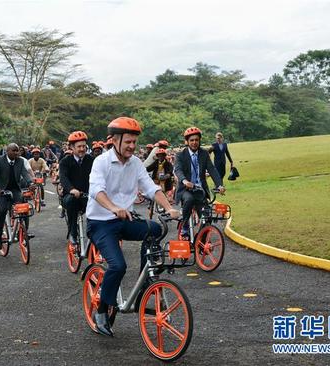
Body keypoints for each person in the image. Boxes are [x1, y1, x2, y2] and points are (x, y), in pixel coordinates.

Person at [86, 117, 179, 337]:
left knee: (155, 229)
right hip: (100, 223)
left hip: (124, 219)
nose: (131, 146)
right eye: (128, 141)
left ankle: (143, 286)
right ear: (115, 140)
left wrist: (170, 208)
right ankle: (101, 310)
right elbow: (96, 191)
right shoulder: (101, 162)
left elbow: (150, 187)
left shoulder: (136, 163)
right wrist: (113, 207)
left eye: (134, 142)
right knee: (118, 266)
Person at [174, 127, 225, 239]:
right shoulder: (180, 155)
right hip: (185, 189)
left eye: (196, 140)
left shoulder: (204, 154)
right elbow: (178, 170)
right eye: (191, 140)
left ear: (199, 140)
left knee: (207, 216)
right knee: (189, 199)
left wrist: (219, 185)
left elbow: (212, 169)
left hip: (200, 190)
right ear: (186, 142)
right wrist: (184, 181)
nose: (194, 142)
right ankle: (185, 226)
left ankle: (200, 241)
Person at [0, 143, 34, 249]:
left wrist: (30, 183)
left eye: (17, 151)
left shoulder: (20, 161)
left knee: (24, 208)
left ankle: (24, 232)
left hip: (14, 190)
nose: (16, 153)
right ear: (7, 151)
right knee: (2, 210)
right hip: (0, 191)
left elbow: (25, 173)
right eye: (14, 150)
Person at [58, 131, 93, 245]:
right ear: (72, 148)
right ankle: (73, 233)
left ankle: (96, 233)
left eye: (84, 146)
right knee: (72, 202)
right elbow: (63, 178)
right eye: (79, 147)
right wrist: (72, 189)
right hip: (71, 195)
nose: (82, 149)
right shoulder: (65, 162)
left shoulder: (91, 160)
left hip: (87, 195)